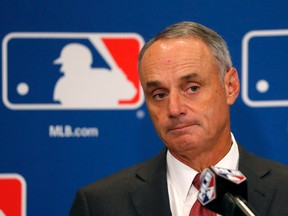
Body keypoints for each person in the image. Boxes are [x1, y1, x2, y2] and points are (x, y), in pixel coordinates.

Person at [69, 21, 288, 215]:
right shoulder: (100, 205)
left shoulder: (284, 191)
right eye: (160, 95)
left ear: (230, 87)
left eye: (192, 88)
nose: (174, 109)